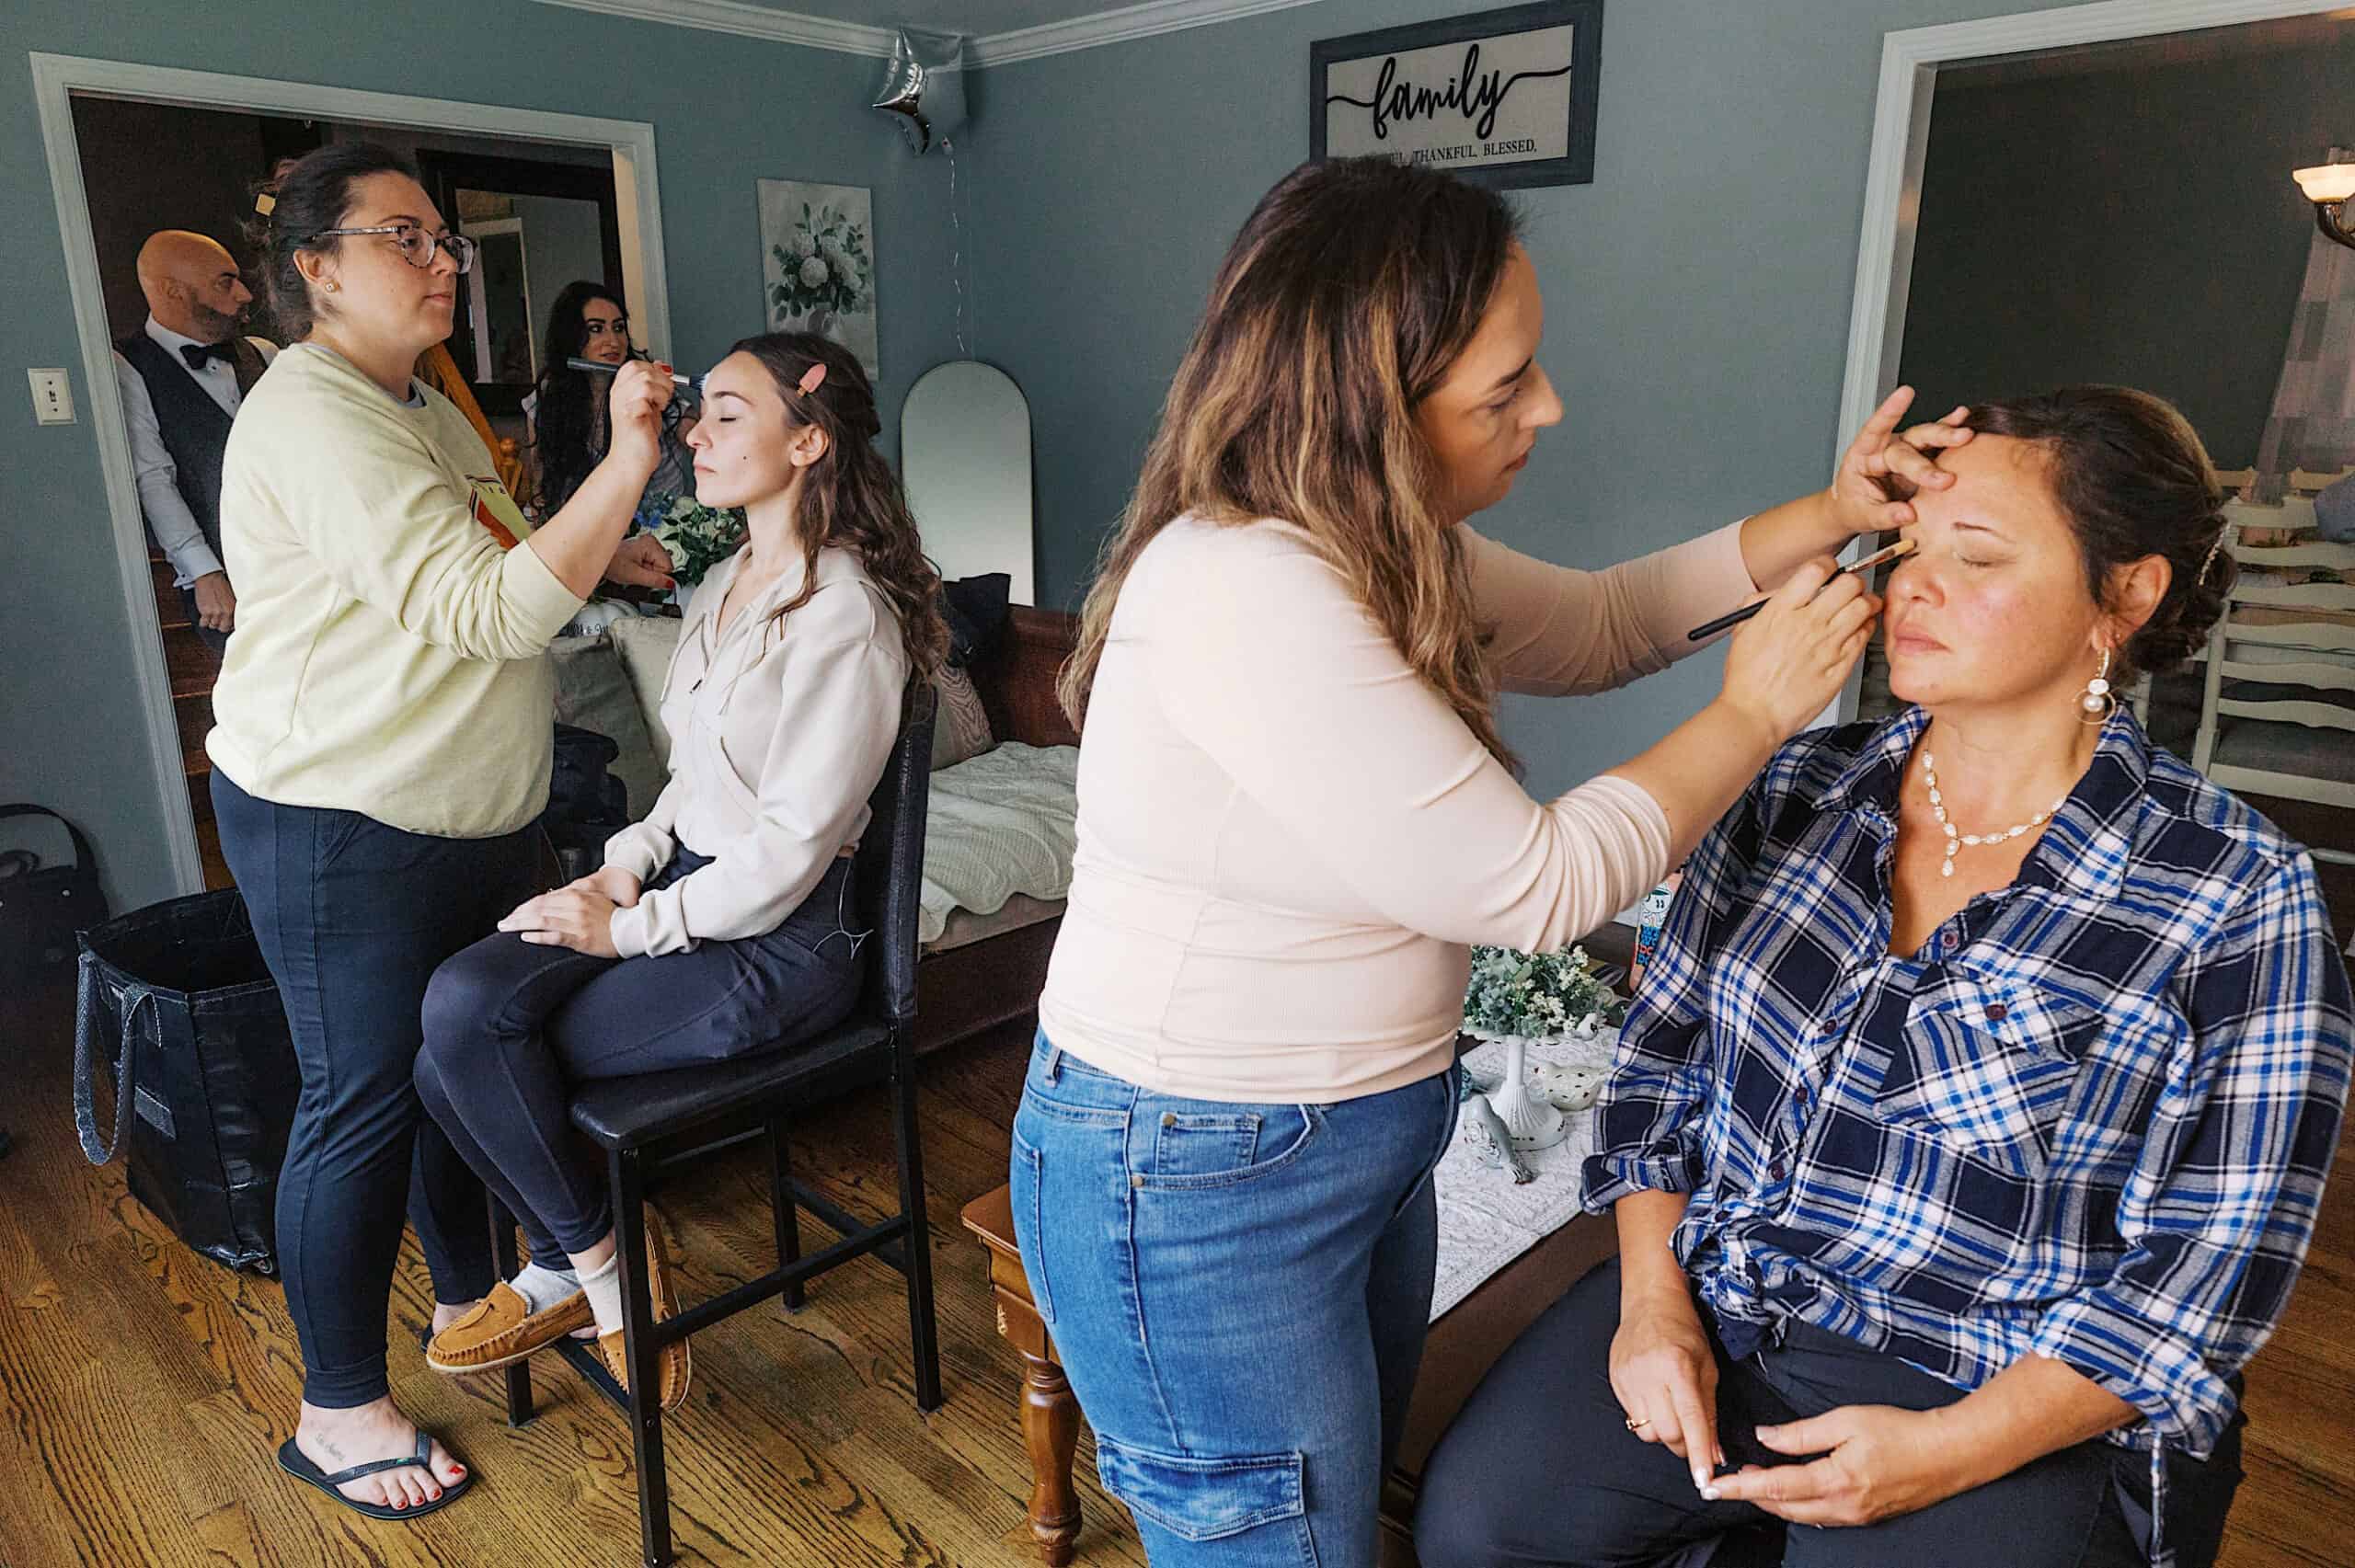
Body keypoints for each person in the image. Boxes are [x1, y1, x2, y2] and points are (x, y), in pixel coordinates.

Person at [1008, 155, 1970, 1568]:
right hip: (1194, 1172)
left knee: (1331, 1521)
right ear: (1371, 406)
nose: (1549, 408)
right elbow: (1537, 885)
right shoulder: (1248, 587)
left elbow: (1604, 619)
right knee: (1279, 1545)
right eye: (1505, 388)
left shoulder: (1376, 538)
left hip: (1354, 1134)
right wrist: (1756, 714)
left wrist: (1827, 516)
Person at [1414, 387, 2355, 1568]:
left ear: (2125, 594)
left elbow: (2205, 1273)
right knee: (1483, 1533)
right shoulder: (1795, 786)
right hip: (1723, 1302)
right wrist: (1652, 1302)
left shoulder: (2231, 892)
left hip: (1993, 1378)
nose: (1912, 584)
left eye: (1977, 554)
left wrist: (1952, 1450)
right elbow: (1660, 1064)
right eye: (1908, 546)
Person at [205, 142, 678, 1520]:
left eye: (444, 241)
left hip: (466, 809)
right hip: (340, 818)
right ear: (315, 270)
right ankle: (335, 1410)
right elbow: (482, 610)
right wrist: (629, 466)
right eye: (404, 238)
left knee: (435, 1068)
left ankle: (465, 1294)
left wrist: (601, 546)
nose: (443, 262)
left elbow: (490, 545)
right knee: (356, 1097)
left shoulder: (421, 398)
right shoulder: (312, 417)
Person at [411, 333, 946, 1405]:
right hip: (685, 886)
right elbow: (689, 784)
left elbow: (790, 850)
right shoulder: (721, 583)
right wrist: (620, 873)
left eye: (726, 416)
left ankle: (579, 1268)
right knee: (459, 1005)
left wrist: (632, 930)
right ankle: (599, 1255)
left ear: (808, 441)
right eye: (699, 414)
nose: (692, 434)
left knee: (466, 1057)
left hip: (783, 938)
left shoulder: (843, 613)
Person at [111, 230, 279, 649]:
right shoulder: (127, 368)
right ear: (173, 291)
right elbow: (153, 479)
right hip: (228, 574)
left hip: (302, 557)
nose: (244, 294)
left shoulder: (265, 354)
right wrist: (204, 572)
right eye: (225, 281)